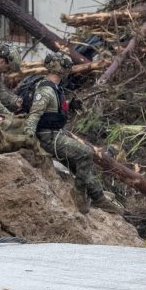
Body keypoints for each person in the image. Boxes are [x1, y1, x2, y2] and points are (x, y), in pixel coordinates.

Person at [22, 52, 124, 214]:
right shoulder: (46, 90)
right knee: (85, 153)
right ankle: (78, 193)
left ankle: (98, 197)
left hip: (57, 133)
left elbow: (52, 109)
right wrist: (28, 136)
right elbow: (35, 114)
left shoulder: (55, 88)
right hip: (48, 137)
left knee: (80, 164)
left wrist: (70, 105)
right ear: (61, 69)